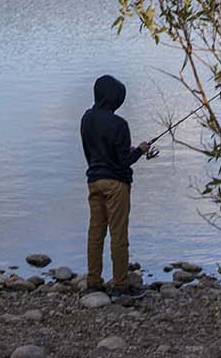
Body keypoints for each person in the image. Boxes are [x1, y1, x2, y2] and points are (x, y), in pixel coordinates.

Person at [80, 74, 151, 297]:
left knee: (95, 233)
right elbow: (124, 160)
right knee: (118, 235)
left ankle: (93, 281)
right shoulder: (119, 124)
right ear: (115, 99)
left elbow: (90, 151)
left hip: (94, 181)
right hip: (116, 185)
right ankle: (121, 286)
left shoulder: (86, 119)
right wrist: (139, 150)